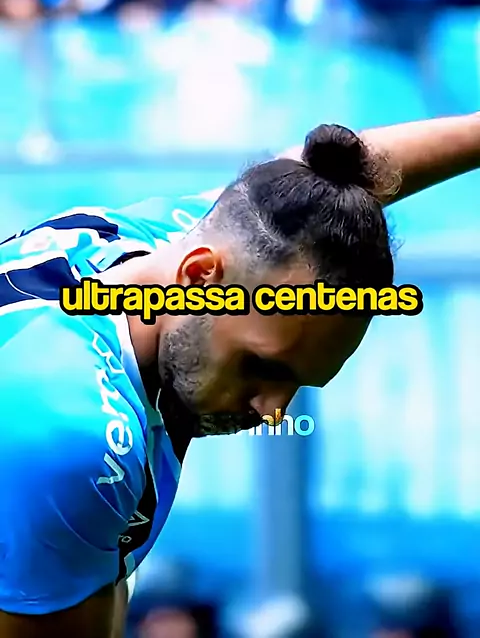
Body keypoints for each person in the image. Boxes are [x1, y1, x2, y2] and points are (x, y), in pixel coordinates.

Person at [0, 113, 479, 638]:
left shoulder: (174, 248)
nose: (272, 410)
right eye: (261, 365)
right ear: (198, 276)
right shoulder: (75, 435)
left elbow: (322, 183)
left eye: (298, 383)